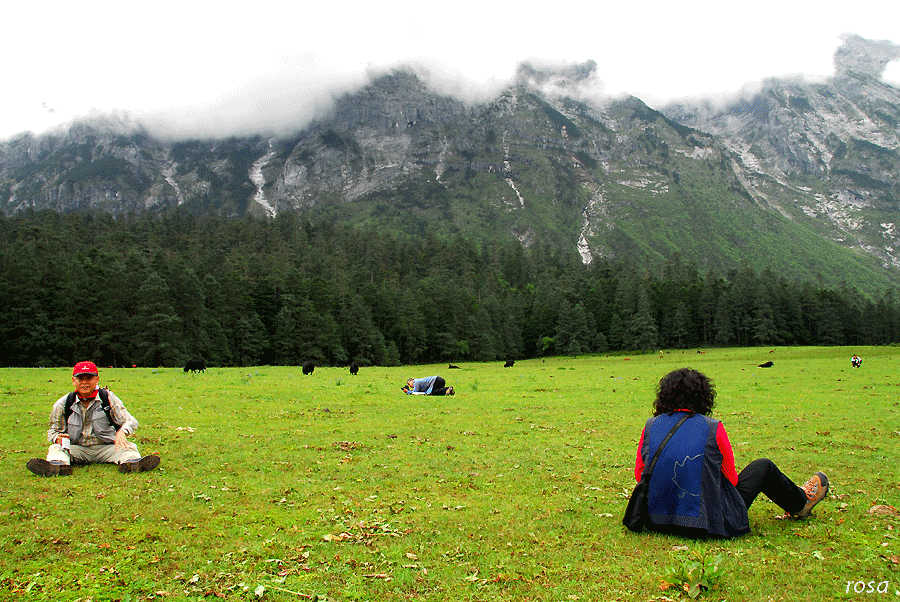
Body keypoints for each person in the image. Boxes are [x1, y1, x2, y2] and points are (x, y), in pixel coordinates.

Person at [630, 368, 829, 538]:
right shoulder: (713, 427)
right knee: (763, 467)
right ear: (704, 396)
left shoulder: (650, 426)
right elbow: (732, 479)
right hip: (705, 523)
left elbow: (640, 475)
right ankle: (801, 502)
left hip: (655, 521)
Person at [26, 361, 160, 477]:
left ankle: (132, 465)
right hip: (77, 449)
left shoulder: (107, 398)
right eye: (80, 379)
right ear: (73, 381)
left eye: (89, 378)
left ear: (96, 379)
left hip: (107, 448)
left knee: (129, 447)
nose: (84, 383)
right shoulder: (63, 403)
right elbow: (53, 431)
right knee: (56, 448)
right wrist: (57, 438)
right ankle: (57, 467)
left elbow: (131, 421)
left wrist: (122, 432)